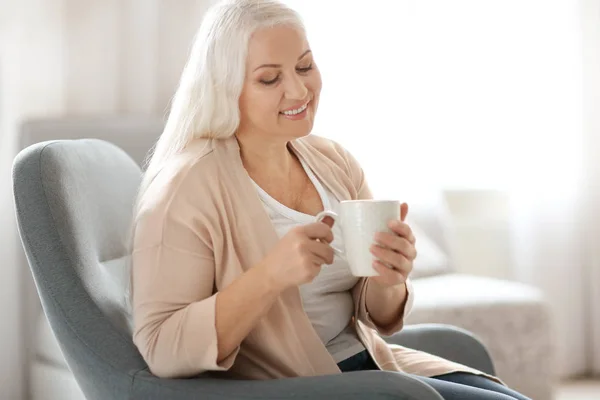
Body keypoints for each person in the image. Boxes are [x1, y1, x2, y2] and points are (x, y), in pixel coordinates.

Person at [129, 1, 530, 399]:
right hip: (301, 386)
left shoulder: (332, 161)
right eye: (270, 79)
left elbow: (376, 315)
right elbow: (163, 348)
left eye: (305, 67)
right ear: (224, 89)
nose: (299, 90)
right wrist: (270, 275)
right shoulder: (186, 186)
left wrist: (389, 277)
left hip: (373, 363)